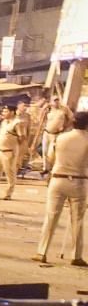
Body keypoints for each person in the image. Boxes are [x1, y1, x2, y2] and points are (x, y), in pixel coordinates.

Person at [33, 111, 88, 265]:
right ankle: (76, 256)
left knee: (51, 216)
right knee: (77, 220)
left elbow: (50, 157)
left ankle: (41, 252)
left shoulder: (60, 138)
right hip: (79, 182)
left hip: (58, 179)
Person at [0, 106, 25, 201]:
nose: (3, 113)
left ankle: (8, 194)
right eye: (3, 111)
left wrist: (17, 150)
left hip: (9, 152)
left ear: (12, 112)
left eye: (5, 111)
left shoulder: (17, 123)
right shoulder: (3, 122)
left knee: (10, 173)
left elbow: (22, 137)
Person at [40, 95, 73, 176]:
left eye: (57, 100)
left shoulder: (64, 109)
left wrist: (65, 126)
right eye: (54, 100)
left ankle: (53, 167)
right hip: (47, 132)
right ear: (51, 101)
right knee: (44, 151)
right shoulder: (49, 109)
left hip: (56, 134)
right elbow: (40, 119)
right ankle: (46, 168)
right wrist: (44, 109)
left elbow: (71, 118)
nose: (56, 102)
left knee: (52, 152)